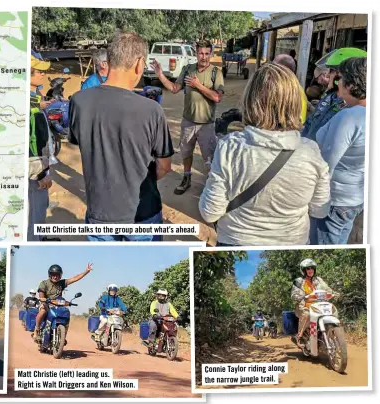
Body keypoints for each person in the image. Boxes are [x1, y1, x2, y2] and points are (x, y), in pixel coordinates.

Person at [199, 63, 331, 246]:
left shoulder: (230, 147)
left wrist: (210, 175)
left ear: (250, 100)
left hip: (236, 242)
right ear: (295, 102)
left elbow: (210, 212)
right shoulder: (311, 151)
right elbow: (320, 210)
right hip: (291, 245)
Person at [68, 32, 174, 241]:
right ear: (138, 63)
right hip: (142, 213)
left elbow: (83, 145)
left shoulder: (78, 101)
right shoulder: (151, 110)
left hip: (100, 212)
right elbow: (164, 166)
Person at [152, 39, 224, 194]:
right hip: (188, 121)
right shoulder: (187, 69)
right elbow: (174, 88)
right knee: (186, 152)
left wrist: (198, 85)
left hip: (206, 123)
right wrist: (160, 74)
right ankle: (186, 178)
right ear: (196, 54)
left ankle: (211, 184)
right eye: (200, 53)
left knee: (209, 157)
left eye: (206, 53)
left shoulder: (215, 73)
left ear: (210, 54)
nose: (203, 57)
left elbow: (217, 97)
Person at [310, 57, 367, 245]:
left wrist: (315, 202)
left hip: (335, 200)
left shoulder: (350, 117)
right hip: (354, 198)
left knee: (324, 246)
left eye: (340, 78)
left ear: (352, 84)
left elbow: (326, 164)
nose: (337, 82)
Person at [302, 47, 367, 141]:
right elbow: (309, 123)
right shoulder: (330, 96)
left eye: (331, 71)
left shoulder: (353, 107)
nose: (328, 75)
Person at [28, 55, 58, 242]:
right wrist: (41, 174)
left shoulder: (34, 98)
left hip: (41, 166)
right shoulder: (27, 104)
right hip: (35, 170)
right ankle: (35, 241)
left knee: (40, 207)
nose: (42, 75)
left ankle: (40, 237)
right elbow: (32, 143)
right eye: (39, 71)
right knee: (33, 210)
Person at [33, 263, 93, 342]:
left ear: (60, 275)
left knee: (66, 313)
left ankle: (63, 336)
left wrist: (86, 271)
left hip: (58, 304)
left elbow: (74, 278)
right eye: (53, 275)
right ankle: (36, 330)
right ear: (50, 275)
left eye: (57, 275)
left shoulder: (62, 283)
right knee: (43, 311)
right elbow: (41, 294)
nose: (55, 277)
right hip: (46, 303)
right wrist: (43, 299)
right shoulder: (44, 283)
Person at [291, 259, 334, 348]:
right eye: (307, 269)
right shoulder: (299, 281)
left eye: (312, 268)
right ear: (304, 271)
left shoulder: (318, 280)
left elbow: (327, 289)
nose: (310, 270)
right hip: (304, 306)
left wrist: (334, 293)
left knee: (332, 310)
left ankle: (332, 332)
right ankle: (299, 336)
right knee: (307, 314)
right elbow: (293, 295)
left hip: (319, 306)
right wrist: (301, 297)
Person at [272, 54, 310, 123]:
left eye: (274, 68)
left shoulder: (290, 92)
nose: (271, 71)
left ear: (283, 70)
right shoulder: (294, 88)